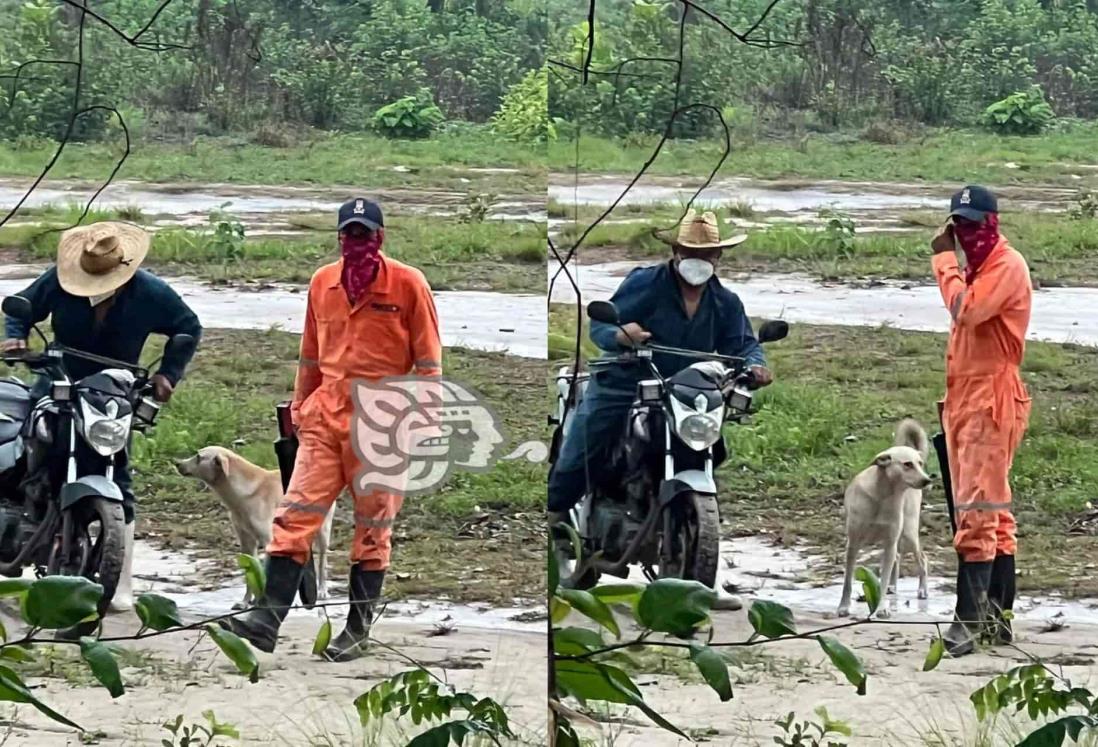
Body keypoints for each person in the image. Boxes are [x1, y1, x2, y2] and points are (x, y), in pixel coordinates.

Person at [222, 197, 442, 661]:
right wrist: (300, 405)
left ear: (379, 237)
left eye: (364, 233)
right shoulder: (323, 283)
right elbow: (309, 352)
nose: (356, 241)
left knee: (372, 528)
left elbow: (428, 362)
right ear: (339, 237)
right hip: (325, 418)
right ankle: (267, 618)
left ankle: (357, 630)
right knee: (294, 515)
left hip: (383, 425)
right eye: (349, 233)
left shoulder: (408, 284)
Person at [547, 210, 773, 607]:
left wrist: (754, 364)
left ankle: (700, 579)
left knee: (710, 449)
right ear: (675, 250)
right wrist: (622, 334)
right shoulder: (646, 283)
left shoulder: (724, 300)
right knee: (587, 443)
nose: (699, 259)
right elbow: (600, 326)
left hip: (689, 392)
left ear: (719, 256)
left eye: (708, 253)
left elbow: (743, 344)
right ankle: (552, 520)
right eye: (690, 250)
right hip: (627, 381)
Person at [1, 221, 203, 622]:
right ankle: (20, 514)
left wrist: (168, 373)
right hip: (59, 381)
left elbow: (188, 326)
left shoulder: (151, 292)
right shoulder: (59, 280)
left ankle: (121, 584)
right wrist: (15, 337)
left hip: (113, 392)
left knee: (119, 473)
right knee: (33, 448)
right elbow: (20, 308)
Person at [930, 185, 1032, 656]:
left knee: (977, 510)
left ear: (992, 222)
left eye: (974, 224)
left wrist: (942, 261)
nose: (967, 233)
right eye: (959, 225)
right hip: (967, 398)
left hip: (991, 399)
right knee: (993, 510)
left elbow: (966, 312)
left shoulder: (1005, 266)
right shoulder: (980, 265)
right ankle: (997, 617)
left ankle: (968, 622)